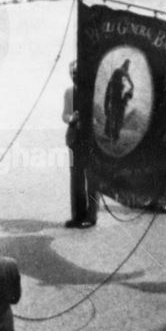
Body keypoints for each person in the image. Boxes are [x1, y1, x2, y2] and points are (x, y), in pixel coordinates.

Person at [62, 61, 95, 228]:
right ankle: (78, 215)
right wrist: (71, 118)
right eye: (72, 74)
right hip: (75, 140)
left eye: (77, 74)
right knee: (76, 179)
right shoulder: (69, 92)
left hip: (91, 141)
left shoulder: (93, 92)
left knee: (92, 179)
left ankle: (91, 216)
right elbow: (64, 114)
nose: (74, 76)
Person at [104, 59, 134, 142]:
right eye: (127, 65)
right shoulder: (118, 71)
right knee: (114, 115)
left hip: (119, 98)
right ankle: (111, 134)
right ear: (125, 64)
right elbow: (111, 83)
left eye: (129, 65)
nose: (128, 67)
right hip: (115, 96)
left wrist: (128, 93)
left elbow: (132, 85)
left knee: (118, 116)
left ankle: (114, 135)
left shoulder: (124, 73)